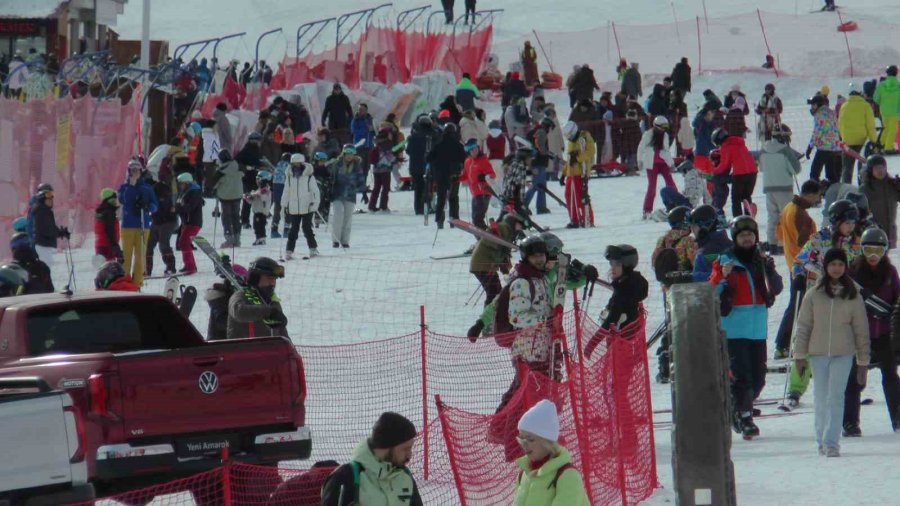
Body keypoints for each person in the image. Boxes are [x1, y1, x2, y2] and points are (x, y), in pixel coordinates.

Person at [710, 216, 783, 438]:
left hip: (757, 328)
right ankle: (744, 416)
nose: (747, 239)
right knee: (742, 376)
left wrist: (770, 270)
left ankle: (738, 406)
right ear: (735, 238)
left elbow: (777, 288)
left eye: (750, 235)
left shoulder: (761, 260)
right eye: (743, 235)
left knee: (759, 377)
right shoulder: (725, 260)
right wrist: (722, 276)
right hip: (733, 328)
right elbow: (711, 291)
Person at [794, 247, 869, 456]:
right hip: (818, 354)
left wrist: (863, 362)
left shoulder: (853, 295)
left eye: (840, 264)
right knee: (821, 397)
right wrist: (799, 356)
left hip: (843, 353)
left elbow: (861, 330)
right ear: (826, 267)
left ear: (845, 267)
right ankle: (821, 440)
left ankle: (832, 443)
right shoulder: (814, 294)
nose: (836, 269)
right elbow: (804, 326)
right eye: (833, 264)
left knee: (836, 397)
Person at [788, 200, 862, 405]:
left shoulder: (853, 243)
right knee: (808, 340)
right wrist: (799, 277)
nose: (851, 226)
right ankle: (796, 387)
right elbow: (799, 262)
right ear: (837, 221)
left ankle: (844, 388)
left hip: (842, 300)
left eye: (853, 222)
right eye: (847, 222)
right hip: (818, 297)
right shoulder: (820, 240)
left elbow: (859, 267)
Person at [847, 228, 900, 434]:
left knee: (891, 375)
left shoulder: (890, 272)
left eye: (878, 251)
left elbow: (897, 300)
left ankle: (897, 414)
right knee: (855, 379)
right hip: (859, 336)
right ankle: (850, 421)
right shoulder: (853, 272)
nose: (873, 256)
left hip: (884, 334)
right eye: (868, 250)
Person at [321, 411, 422, 506]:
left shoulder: (404, 476)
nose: (409, 455)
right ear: (388, 446)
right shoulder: (345, 477)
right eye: (405, 449)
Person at [773, 180, 821, 358]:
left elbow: (778, 233)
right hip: (803, 266)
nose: (818, 199)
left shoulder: (788, 208)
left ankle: (784, 344)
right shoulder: (802, 215)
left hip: (791, 261)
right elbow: (806, 242)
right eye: (817, 195)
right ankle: (783, 344)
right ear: (811, 194)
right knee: (798, 305)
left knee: (796, 304)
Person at [513, 400, 590, 506]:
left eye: (530, 439)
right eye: (522, 439)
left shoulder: (567, 475)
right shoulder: (524, 473)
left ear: (546, 441)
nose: (524, 445)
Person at [469, 214, 523, 315]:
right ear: (513, 223)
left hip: (485, 264)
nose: (520, 229)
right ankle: (487, 319)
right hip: (483, 264)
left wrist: (506, 270)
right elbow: (500, 250)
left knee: (495, 292)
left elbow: (502, 252)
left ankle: (490, 317)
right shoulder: (504, 229)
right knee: (493, 293)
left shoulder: (505, 229)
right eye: (519, 226)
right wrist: (506, 271)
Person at [759, 125, 801, 253]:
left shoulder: (763, 149)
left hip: (769, 187)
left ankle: (772, 243)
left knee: (772, 216)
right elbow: (796, 169)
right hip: (784, 188)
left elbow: (761, 168)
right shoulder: (785, 150)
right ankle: (783, 243)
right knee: (786, 216)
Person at [118, 160, 158, 287]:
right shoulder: (124, 187)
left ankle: (137, 281)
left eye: (137, 170)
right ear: (129, 172)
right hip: (128, 225)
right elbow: (123, 200)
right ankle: (124, 280)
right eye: (132, 170)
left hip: (143, 225)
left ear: (141, 171)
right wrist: (131, 185)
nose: (135, 172)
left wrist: (147, 207)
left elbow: (155, 205)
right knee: (126, 254)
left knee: (140, 254)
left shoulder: (147, 187)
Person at [226, 257, 288, 339]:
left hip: (268, 350)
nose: (273, 282)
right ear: (255, 278)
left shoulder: (272, 301)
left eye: (275, 279)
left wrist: (290, 349)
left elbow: (282, 334)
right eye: (269, 278)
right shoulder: (241, 295)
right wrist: (268, 312)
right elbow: (239, 311)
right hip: (241, 350)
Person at [427, 124, 467, 229]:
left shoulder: (438, 144)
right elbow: (465, 159)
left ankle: (439, 220)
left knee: (441, 198)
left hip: (440, 175)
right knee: (453, 197)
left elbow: (429, 158)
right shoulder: (458, 145)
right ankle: (454, 219)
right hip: (454, 175)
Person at [282, 154, 321, 260]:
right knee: (293, 229)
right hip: (294, 207)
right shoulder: (290, 178)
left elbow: (315, 191)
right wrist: (283, 204)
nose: (296, 166)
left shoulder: (309, 177)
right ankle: (289, 250)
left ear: (303, 164)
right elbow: (286, 191)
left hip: (307, 206)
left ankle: (313, 248)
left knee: (306, 227)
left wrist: (315, 203)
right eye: (294, 164)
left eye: (298, 164)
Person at [837, 82, 877, 183]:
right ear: (860, 92)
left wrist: (843, 138)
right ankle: (863, 188)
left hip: (848, 142)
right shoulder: (865, 106)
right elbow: (871, 125)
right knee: (863, 167)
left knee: (847, 169)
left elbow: (840, 124)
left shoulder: (844, 106)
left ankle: (846, 190)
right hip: (862, 142)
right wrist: (873, 140)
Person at [713, 127, 757, 219]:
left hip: (740, 174)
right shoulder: (740, 144)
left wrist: (713, 171)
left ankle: (738, 219)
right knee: (746, 196)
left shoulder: (726, 147)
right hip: (753, 172)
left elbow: (724, 164)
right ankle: (749, 216)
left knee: (736, 199)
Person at [639, 116, 676, 219]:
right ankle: (647, 210)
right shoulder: (648, 135)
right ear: (656, 126)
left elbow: (666, 151)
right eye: (662, 127)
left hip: (663, 163)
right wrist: (640, 160)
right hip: (652, 164)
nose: (664, 129)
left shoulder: (665, 136)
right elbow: (641, 147)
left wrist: (671, 163)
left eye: (666, 127)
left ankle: (677, 204)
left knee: (671, 184)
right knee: (652, 187)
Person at [329, 145, 365, 248]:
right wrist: (329, 191)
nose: (349, 156)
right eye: (348, 154)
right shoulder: (337, 164)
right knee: (338, 216)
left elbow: (360, 180)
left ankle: (345, 241)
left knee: (348, 218)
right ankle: (335, 240)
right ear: (344, 154)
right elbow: (332, 178)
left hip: (350, 194)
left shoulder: (357, 166)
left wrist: (363, 192)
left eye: (352, 154)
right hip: (337, 194)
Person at [859, 154, 900, 248]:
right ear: (870, 170)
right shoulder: (865, 188)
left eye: (882, 168)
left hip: (890, 231)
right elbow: (860, 211)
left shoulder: (891, 185)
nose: (880, 171)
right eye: (877, 168)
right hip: (872, 232)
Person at [561, 121, 596, 228]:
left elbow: (590, 152)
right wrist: (564, 173)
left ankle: (587, 219)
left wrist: (577, 158)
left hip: (581, 173)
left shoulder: (584, 137)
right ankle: (574, 219)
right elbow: (569, 159)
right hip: (571, 173)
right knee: (569, 196)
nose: (569, 138)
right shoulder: (571, 142)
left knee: (581, 197)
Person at [146, 165, 177, 277]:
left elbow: (165, 205)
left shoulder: (163, 189)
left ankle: (171, 266)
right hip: (157, 219)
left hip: (167, 220)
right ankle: (147, 269)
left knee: (163, 244)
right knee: (149, 245)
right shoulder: (154, 188)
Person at [406, 115, 441, 215]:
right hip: (430, 165)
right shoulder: (434, 136)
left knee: (418, 188)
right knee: (429, 186)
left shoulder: (413, 137)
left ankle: (418, 208)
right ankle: (428, 206)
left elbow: (408, 151)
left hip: (415, 166)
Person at [691, 204, 733, 282]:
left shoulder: (706, 250)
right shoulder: (726, 241)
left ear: (704, 226)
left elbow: (716, 278)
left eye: (694, 226)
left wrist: (689, 277)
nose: (692, 230)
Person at [806, 93, 843, 183]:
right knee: (831, 174)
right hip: (834, 147)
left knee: (814, 173)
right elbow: (837, 128)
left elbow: (817, 132)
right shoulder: (831, 112)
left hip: (824, 147)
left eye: (813, 105)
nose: (811, 108)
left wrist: (810, 147)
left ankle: (815, 192)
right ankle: (834, 190)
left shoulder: (820, 114)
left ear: (818, 105)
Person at [30, 185, 65, 280]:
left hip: (44, 244)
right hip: (42, 244)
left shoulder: (44, 210)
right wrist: (59, 233)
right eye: (49, 194)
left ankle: (46, 286)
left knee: (47, 267)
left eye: (52, 194)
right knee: (46, 268)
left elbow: (50, 227)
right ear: (41, 195)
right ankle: (45, 288)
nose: (52, 197)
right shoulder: (41, 211)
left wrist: (60, 232)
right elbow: (47, 229)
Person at [461, 138, 497, 229]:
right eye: (471, 149)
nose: (474, 151)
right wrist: (456, 178)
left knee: (478, 218)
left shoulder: (483, 160)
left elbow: (492, 175)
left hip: (484, 192)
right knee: (475, 219)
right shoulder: (468, 161)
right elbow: (465, 176)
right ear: (468, 151)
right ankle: (483, 237)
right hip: (475, 194)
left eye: (476, 148)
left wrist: (484, 177)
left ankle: (485, 238)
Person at [523, 117, 554, 215]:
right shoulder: (541, 132)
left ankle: (541, 206)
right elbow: (541, 148)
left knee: (540, 186)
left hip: (533, 162)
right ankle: (525, 205)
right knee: (536, 185)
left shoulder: (534, 132)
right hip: (538, 163)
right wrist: (548, 154)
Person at [214, 149, 244, 248]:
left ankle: (229, 239)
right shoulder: (238, 166)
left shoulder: (221, 171)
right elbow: (243, 173)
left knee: (226, 217)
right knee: (236, 216)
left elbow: (213, 184)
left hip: (225, 196)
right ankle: (237, 239)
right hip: (237, 195)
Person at [174, 173, 203, 274]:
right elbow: (180, 203)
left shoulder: (194, 192)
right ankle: (189, 265)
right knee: (183, 243)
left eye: (181, 183)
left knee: (184, 243)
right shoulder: (185, 191)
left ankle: (190, 267)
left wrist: (178, 208)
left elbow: (190, 207)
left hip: (193, 222)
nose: (180, 185)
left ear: (186, 183)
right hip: (186, 222)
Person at [367, 129, 399, 212]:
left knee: (376, 188)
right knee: (385, 188)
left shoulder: (377, 143)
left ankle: (371, 206)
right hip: (385, 170)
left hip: (376, 170)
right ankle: (383, 206)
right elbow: (389, 157)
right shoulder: (387, 144)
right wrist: (396, 160)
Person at [874, 65, 900, 152]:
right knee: (892, 130)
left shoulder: (881, 85)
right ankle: (888, 148)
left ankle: (881, 145)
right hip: (895, 112)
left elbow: (876, 98)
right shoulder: (899, 85)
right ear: (896, 73)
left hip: (884, 111)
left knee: (885, 128)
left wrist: (883, 102)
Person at [94, 188, 123, 263]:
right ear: (109, 199)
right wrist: (116, 248)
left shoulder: (100, 211)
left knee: (102, 270)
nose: (116, 201)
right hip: (108, 247)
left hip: (100, 245)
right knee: (109, 271)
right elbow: (110, 231)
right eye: (114, 198)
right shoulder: (109, 213)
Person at [245, 170, 273, 246]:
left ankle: (261, 238)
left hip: (262, 211)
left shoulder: (266, 190)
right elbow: (252, 201)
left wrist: (258, 194)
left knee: (260, 225)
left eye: (259, 179)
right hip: (256, 210)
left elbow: (264, 198)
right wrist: (248, 198)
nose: (257, 181)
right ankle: (258, 238)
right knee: (256, 225)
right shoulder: (258, 190)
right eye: (257, 179)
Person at [270, 153, 289, 239]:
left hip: (276, 186)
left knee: (277, 208)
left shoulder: (278, 165)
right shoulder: (289, 166)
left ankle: (274, 229)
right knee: (288, 208)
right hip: (285, 186)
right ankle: (286, 229)